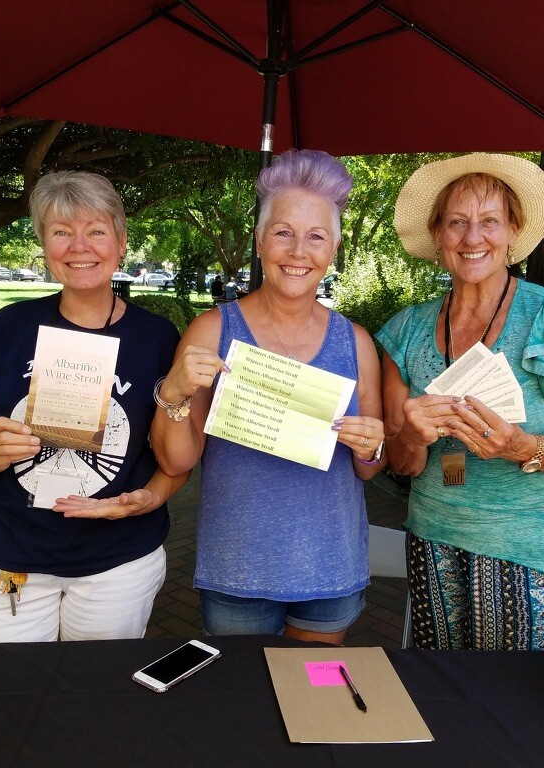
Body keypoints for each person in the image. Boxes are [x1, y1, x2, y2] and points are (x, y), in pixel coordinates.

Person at [377, 153, 544, 652]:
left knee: (528, 708)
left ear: (513, 232)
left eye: (489, 221)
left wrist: (521, 446)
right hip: (436, 539)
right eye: (457, 223)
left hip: (537, 546)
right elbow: (400, 463)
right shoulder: (406, 330)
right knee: (446, 697)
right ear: (438, 236)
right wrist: (412, 435)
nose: (473, 238)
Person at [151, 149, 385, 645]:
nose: (298, 250)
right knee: (244, 705)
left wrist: (372, 445)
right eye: (283, 232)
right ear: (259, 240)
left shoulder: (355, 342)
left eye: (316, 236)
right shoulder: (213, 329)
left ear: (333, 248)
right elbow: (177, 459)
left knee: (313, 704)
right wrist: (172, 393)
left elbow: (368, 467)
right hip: (240, 565)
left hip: (329, 565)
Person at [0, 171, 188, 643]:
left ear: (121, 243)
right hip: (10, 555)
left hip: (118, 559)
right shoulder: (9, 327)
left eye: (97, 231)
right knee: (11, 700)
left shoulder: (158, 338)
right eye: (61, 232)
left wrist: (153, 496)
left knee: (99, 699)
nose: (80, 246)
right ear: (44, 245)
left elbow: (178, 455)